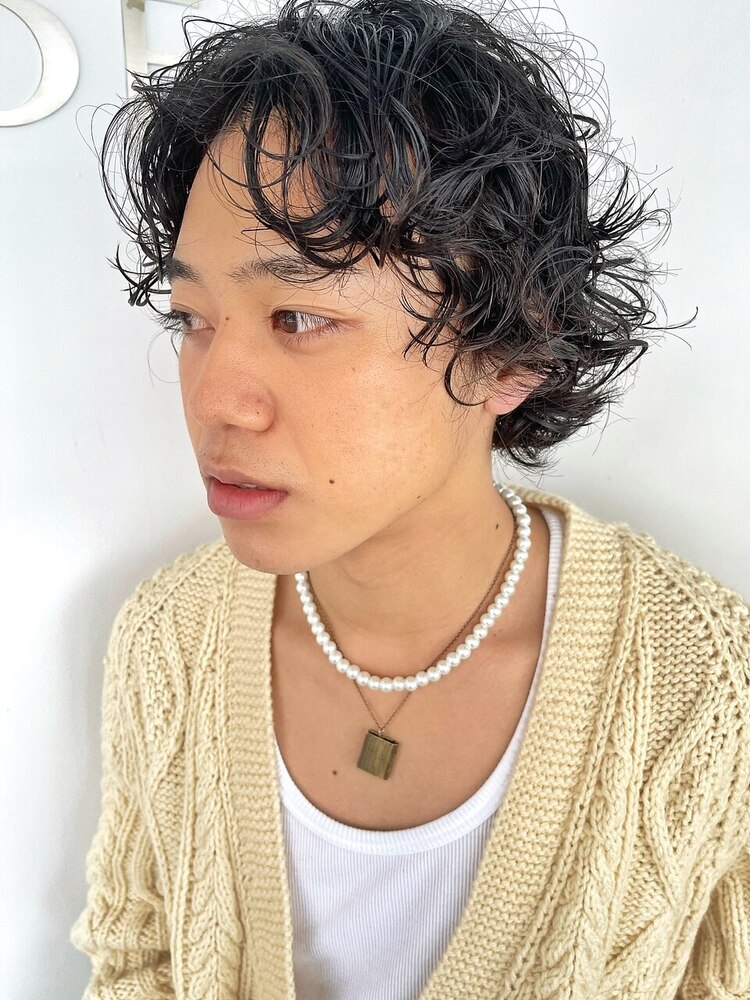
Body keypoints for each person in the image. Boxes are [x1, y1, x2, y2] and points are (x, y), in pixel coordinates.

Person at [70, 0, 750, 997]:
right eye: (192, 319)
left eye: (298, 316)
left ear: (509, 350)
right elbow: (139, 961)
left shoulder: (709, 687)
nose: (214, 399)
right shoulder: (168, 637)